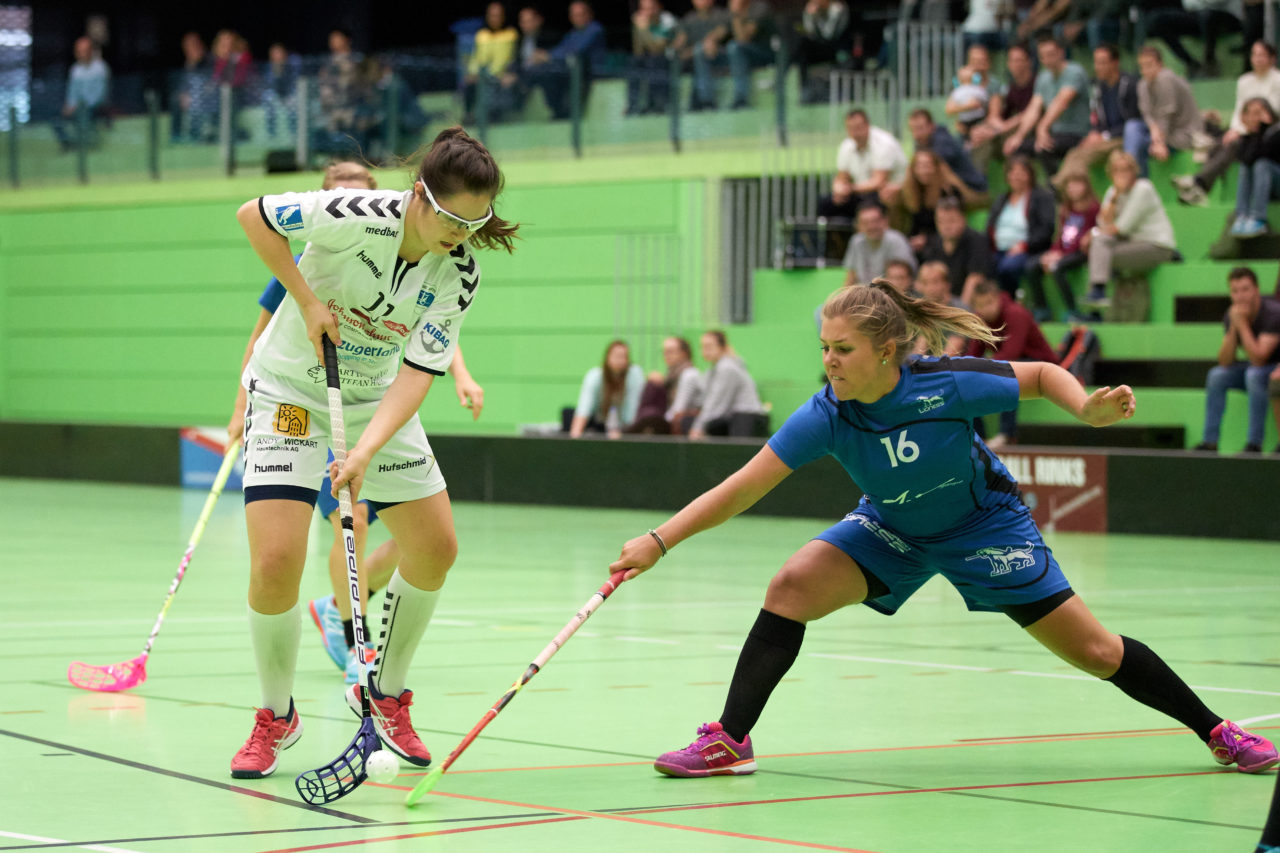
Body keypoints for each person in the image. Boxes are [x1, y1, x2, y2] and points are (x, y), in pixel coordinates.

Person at [609, 280, 1278, 782]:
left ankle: (1218, 729)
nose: (831, 362)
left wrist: (1088, 409)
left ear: (888, 349)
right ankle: (730, 739)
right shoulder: (828, 413)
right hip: (892, 525)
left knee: (1099, 651)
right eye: (824, 349)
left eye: (844, 350)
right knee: (791, 585)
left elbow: (1043, 375)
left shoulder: (944, 385)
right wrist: (659, 540)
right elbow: (743, 487)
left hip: (982, 526)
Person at [228, 127, 518, 779]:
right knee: (276, 560)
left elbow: (418, 373)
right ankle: (276, 713)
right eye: (450, 219)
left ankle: (386, 693)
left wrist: (364, 449)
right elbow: (254, 216)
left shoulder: (459, 273)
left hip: (375, 399)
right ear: (419, 195)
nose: (460, 235)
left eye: (475, 224)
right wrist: (304, 302)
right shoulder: (353, 214)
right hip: (288, 392)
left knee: (437, 547)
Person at [1174, 41, 1280, 206]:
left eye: (1262, 55)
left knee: (1233, 144)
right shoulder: (1244, 81)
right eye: (1254, 55)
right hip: (1244, 130)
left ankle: (1199, 182)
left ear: (1272, 58)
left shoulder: (1277, 80)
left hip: (1266, 136)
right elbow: (1239, 111)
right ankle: (1200, 188)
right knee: (1220, 142)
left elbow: (1271, 114)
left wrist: (1243, 130)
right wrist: (1235, 129)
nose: (1257, 59)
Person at [1192, 267, 1280, 454]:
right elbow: (1225, 360)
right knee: (1216, 375)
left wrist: (1242, 325)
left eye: (1245, 289)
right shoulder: (1233, 314)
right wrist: (1234, 326)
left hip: (1273, 369)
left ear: (1256, 289)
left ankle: (1254, 445)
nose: (1240, 296)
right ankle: (1210, 443)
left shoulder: (1273, 313)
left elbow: (1259, 358)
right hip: (1255, 368)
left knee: (1254, 375)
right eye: (1235, 291)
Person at [965, 278, 1060, 447]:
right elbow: (972, 355)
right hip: (1011, 363)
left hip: (1043, 366)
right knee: (968, 379)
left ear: (998, 298)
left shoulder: (1016, 313)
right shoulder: (979, 320)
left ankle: (1007, 434)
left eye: (989, 303)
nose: (986, 309)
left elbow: (1011, 353)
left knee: (1007, 371)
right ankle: (979, 438)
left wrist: (981, 367)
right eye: (980, 305)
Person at [1083, 149, 1177, 321]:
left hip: (1157, 246)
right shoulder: (1112, 192)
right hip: (1132, 244)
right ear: (1110, 173)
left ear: (1134, 171)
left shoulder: (1143, 189)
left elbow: (1122, 227)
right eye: (1117, 170)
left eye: (1126, 169)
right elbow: (1103, 223)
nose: (1122, 174)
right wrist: (1115, 197)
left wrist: (1094, 234)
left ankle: (1097, 297)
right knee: (1099, 245)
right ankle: (1097, 298)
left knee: (1099, 251)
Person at [1051, 44, 1142, 189]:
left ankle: (1061, 189)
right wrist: (1095, 132)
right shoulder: (1099, 87)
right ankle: (1062, 188)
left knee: (1083, 156)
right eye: (1096, 62)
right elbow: (1097, 118)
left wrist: (1104, 136)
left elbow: (1134, 121)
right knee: (1075, 152)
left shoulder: (1130, 85)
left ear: (1115, 63)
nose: (1098, 67)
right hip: (1105, 137)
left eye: (1102, 62)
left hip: (1121, 137)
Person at [1004, 36, 1091, 175]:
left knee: (1044, 147)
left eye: (1051, 54)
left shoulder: (1075, 72)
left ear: (1061, 53)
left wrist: (1042, 128)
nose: (1047, 59)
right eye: (1043, 56)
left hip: (1077, 134)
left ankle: (1054, 189)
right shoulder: (1043, 78)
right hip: (1055, 134)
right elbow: (1033, 109)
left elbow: (1061, 102)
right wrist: (1018, 136)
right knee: (1017, 148)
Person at [1026, 172, 1099, 323]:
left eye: (1077, 184)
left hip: (1082, 252)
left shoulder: (1092, 209)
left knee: (1057, 268)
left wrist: (1060, 255)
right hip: (1064, 252)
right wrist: (1053, 252)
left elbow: (1083, 238)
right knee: (1031, 266)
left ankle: (1073, 310)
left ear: (1086, 186)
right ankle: (1042, 308)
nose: (1073, 188)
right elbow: (1061, 237)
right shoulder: (1066, 209)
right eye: (1069, 185)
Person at [817, 109, 907, 220]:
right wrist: (838, 188)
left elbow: (879, 182)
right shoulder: (846, 145)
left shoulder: (884, 143)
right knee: (826, 202)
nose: (855, 132)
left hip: (886, 192)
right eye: (851, 128)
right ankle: (827, 236)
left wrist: (849, 188)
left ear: (867, 125)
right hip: (860, 192)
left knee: (877, 199)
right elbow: (842, 176)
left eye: (858, 127)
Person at [985, 155, 1056, 297]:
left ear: (1030, 175)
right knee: (984, 266)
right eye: (1012, 172)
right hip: (998, 249)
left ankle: (1011, 300)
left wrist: (1023, 246)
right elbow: (990, 226)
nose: (1016, 176)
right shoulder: (1002, 199)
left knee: (1008, 267)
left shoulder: (1042, 197)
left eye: (1021, 172)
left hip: (1028, 249)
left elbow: (1046, 229)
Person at [894, 149, 987, 254]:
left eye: (927, 166)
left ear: (936, 168)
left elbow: (952, 225)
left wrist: (927, 240)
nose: (924, 171)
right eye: (919, 166)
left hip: (942, 241)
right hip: (916, 242)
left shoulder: (948, 192)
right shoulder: (911, 192)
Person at [525, 1, 606, 120]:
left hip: (591, 73)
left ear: (589, 14)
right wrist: (546, 55)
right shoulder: (572, 34)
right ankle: (558, 111)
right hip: (569, 72)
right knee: (545, 72)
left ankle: (564, 113)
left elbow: (576, 51)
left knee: (556, 70)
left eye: (580, 14)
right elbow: (562, 49)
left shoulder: (595, 29)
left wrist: (547, 56)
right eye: (574, 15)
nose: (577, 18)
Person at [1135, 45, 1205, 180]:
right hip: (1165, 133)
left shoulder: (1165, 78)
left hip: (1186, 134)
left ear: (1160, 64)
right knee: (1133, 129)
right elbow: (1147, 113)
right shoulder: (1142, 84)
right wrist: (1153, 129)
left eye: (1149, 65)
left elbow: (1165, 115)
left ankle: (1142, 185)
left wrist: (1159, 142)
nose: (1145, 70)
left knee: (1141, 146)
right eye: (1142, 66)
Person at [969, 43, 1037, 173]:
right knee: (979, 139)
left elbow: (1028, 115)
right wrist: (983, 129)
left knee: (1003, 141)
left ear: (1029, 62)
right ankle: (978, 184)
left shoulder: (1038, 84)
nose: (1015, 64)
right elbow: (996, 116)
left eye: (1019, 60)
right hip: (1006, 131)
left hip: (1029, 132)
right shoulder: (1010, 88)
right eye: (1012, 60)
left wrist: (995, 131)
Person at [689, 330, 768, 438]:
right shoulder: (713, 369)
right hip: (734, 417)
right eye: (702, 346)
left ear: (722, 347)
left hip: (746, 418)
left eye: (709, 346)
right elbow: (706, 397)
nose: (705, 351)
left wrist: (698, 428)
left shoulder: (727, 367)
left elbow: (716, 403)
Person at [918, 196, 993, 300]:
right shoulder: (934, 242)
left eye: (951, 221)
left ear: (963, 219)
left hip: (969, 304)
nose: (946, 226)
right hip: (943, 302)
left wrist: (961, 310)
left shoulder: (977, 241)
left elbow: (975, 279)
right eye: (941, 221)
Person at [568, 340, 646, 438]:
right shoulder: (595, 376)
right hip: (599, 424)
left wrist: (624, 433)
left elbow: (633, 409)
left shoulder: (634, 375)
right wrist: (575, 436)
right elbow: (584, 408)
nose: (619, 360)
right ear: (607, 357)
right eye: (616, 356)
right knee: (568, 413)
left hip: (626, 428)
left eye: (623, 356)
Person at [1145, 0, 1240, 80]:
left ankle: (1210, 62)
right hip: (1198, 16)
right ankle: (1191, 63)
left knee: (1207, 15)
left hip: (1227, 17)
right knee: (1157, 19)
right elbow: (1188, 4)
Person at [628, 336, 703, 435]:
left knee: (651, 416)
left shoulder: (689, 374)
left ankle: (629, 431)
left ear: (684, 353)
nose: (666, 355)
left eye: (671, 351)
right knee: (652, 386)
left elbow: (679, 409)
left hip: (687, 421)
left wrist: (658, 419)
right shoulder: (672, 375)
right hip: (674, 419)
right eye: (664, 352)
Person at [1228, 98, 1280, 239]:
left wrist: (1264, 129)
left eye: (1258, 113)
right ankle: (1242, 215)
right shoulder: (1247, 138)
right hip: (1264, 187)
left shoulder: (1276, 133)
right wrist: (1254, 133)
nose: (1254, 118)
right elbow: (1247, 159)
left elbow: (1265, 153)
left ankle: (1258, 218)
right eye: (1250, 114)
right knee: (1246, 166)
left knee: (1262, 164)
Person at [905, 108, 988, 196]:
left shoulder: (942, 140)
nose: (916, 134)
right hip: (956, 190)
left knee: (932, 167)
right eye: (913, 129)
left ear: (931, 126)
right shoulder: (922, 141)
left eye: (920, 128)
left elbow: (938, 171)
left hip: (973, 188)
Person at [463, 2, 519, 123]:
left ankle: (494, 122)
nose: (494, 19)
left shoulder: (511, 34)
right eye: (492, 15)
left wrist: (495, 75)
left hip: (499, 77)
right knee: (469, 85)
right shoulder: (481, 35)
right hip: (482, 76)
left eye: (497, 15)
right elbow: (476, 58)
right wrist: (473, 73)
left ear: (503, 17)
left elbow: (507, 58)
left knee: (497, 90)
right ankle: (468, 117)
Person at [53, 36, 110, 152]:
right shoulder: (75, 70)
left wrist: (79, 106)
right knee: (56, 117)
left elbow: (100, 94)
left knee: (83, 114)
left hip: (94, 106)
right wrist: (69, 105)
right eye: (78, 51)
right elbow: (72, 92)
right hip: (77, 107)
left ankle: (84, 146)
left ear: (90, 51)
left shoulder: (100, 68)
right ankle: (68, 144)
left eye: (83, 51)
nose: (80, 54)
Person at [673, 0, 730, 112]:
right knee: (695, 55)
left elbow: (715, 37)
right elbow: (679, 43)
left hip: (720, 57)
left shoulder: (721, 15)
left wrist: (698, 49)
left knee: (700, 52)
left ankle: (707, 101)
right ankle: (668, 105)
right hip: (695, 59)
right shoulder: (689, 19)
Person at [842, 201, 916, 287]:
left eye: (875, 221)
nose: (871, 226)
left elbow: (902, 282)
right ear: (858, 225)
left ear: (885, 221)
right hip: (864, 295)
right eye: (865, 223)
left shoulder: (897, 241)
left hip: (889, 294)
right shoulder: (855, 242)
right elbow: (850, 278)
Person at [627, 0, 678, 116]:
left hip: (668, 58)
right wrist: (638, 29)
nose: (648, 12)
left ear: (659, 7)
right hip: (648, 58)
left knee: (654, 61)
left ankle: (658, 104)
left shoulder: (667, 20)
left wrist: (644, 29)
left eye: (651, 8)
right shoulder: (640, 20)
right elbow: (638, 51)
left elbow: (658, 48)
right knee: (634, 62)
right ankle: (633, 106)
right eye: (644, 9)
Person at [794, 0, 850, 103]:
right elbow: (810, 34)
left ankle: (841, 93)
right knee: (801, 47)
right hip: (821, 48)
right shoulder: (815, 10)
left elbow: (829, 35)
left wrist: (834, 15)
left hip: (837, 47)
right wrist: (809, 16)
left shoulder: (839, 8)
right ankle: (805, 90)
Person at [724, 0, 774, 110]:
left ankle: (741, 99)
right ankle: (705, 102)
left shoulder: (760, 7)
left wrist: (736, 15)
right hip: (744, 55)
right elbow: (721, 31)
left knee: (734, 47)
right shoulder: (730, 9)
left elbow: (743, 38)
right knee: (701, 52)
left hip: (766, 53)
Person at [171, 31, 212, 143]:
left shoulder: (210, 59)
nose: (191, 48)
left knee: (196, 98)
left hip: (208, 95)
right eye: (188, 46)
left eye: (194, 44)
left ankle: (195, 133)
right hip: (192, 96)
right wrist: (183, 94)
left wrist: (195, 93)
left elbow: (211, 80)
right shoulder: (189, 64)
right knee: (175, 99)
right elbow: (184, 83)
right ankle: (176, 134)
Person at [262, 43, 301, 139]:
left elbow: (294, 83)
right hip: (277, 96)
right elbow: (269, 86)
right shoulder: (269, 68)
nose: (277, 56)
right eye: (274, 54)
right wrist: (277, 73)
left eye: (279, 53)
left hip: (289, 95)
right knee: (267, 97)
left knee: (293, 103)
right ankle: (271, 133)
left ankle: (293, 133)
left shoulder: (292, 65)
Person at [946, 65, 990, 138]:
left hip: (979, 121)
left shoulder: (978, 89)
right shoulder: (956, 92)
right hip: (964, 123)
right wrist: (968, 106)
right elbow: (949, 110)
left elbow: (985, 103)